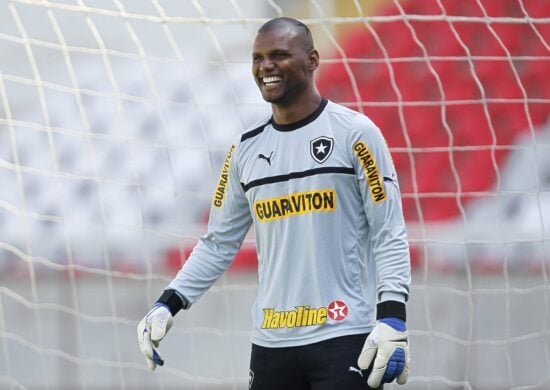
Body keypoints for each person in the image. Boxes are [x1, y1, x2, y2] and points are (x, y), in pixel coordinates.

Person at [138, 17, 411, 390]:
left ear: (312, 60)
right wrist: (168, 302)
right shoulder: (243, 151)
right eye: (258, 58)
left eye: (279, 55)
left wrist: (393, 316)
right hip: (272, 344)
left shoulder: (356, 134)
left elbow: (388, 230)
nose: (265, 66)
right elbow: (218, 243)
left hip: (343, 335)